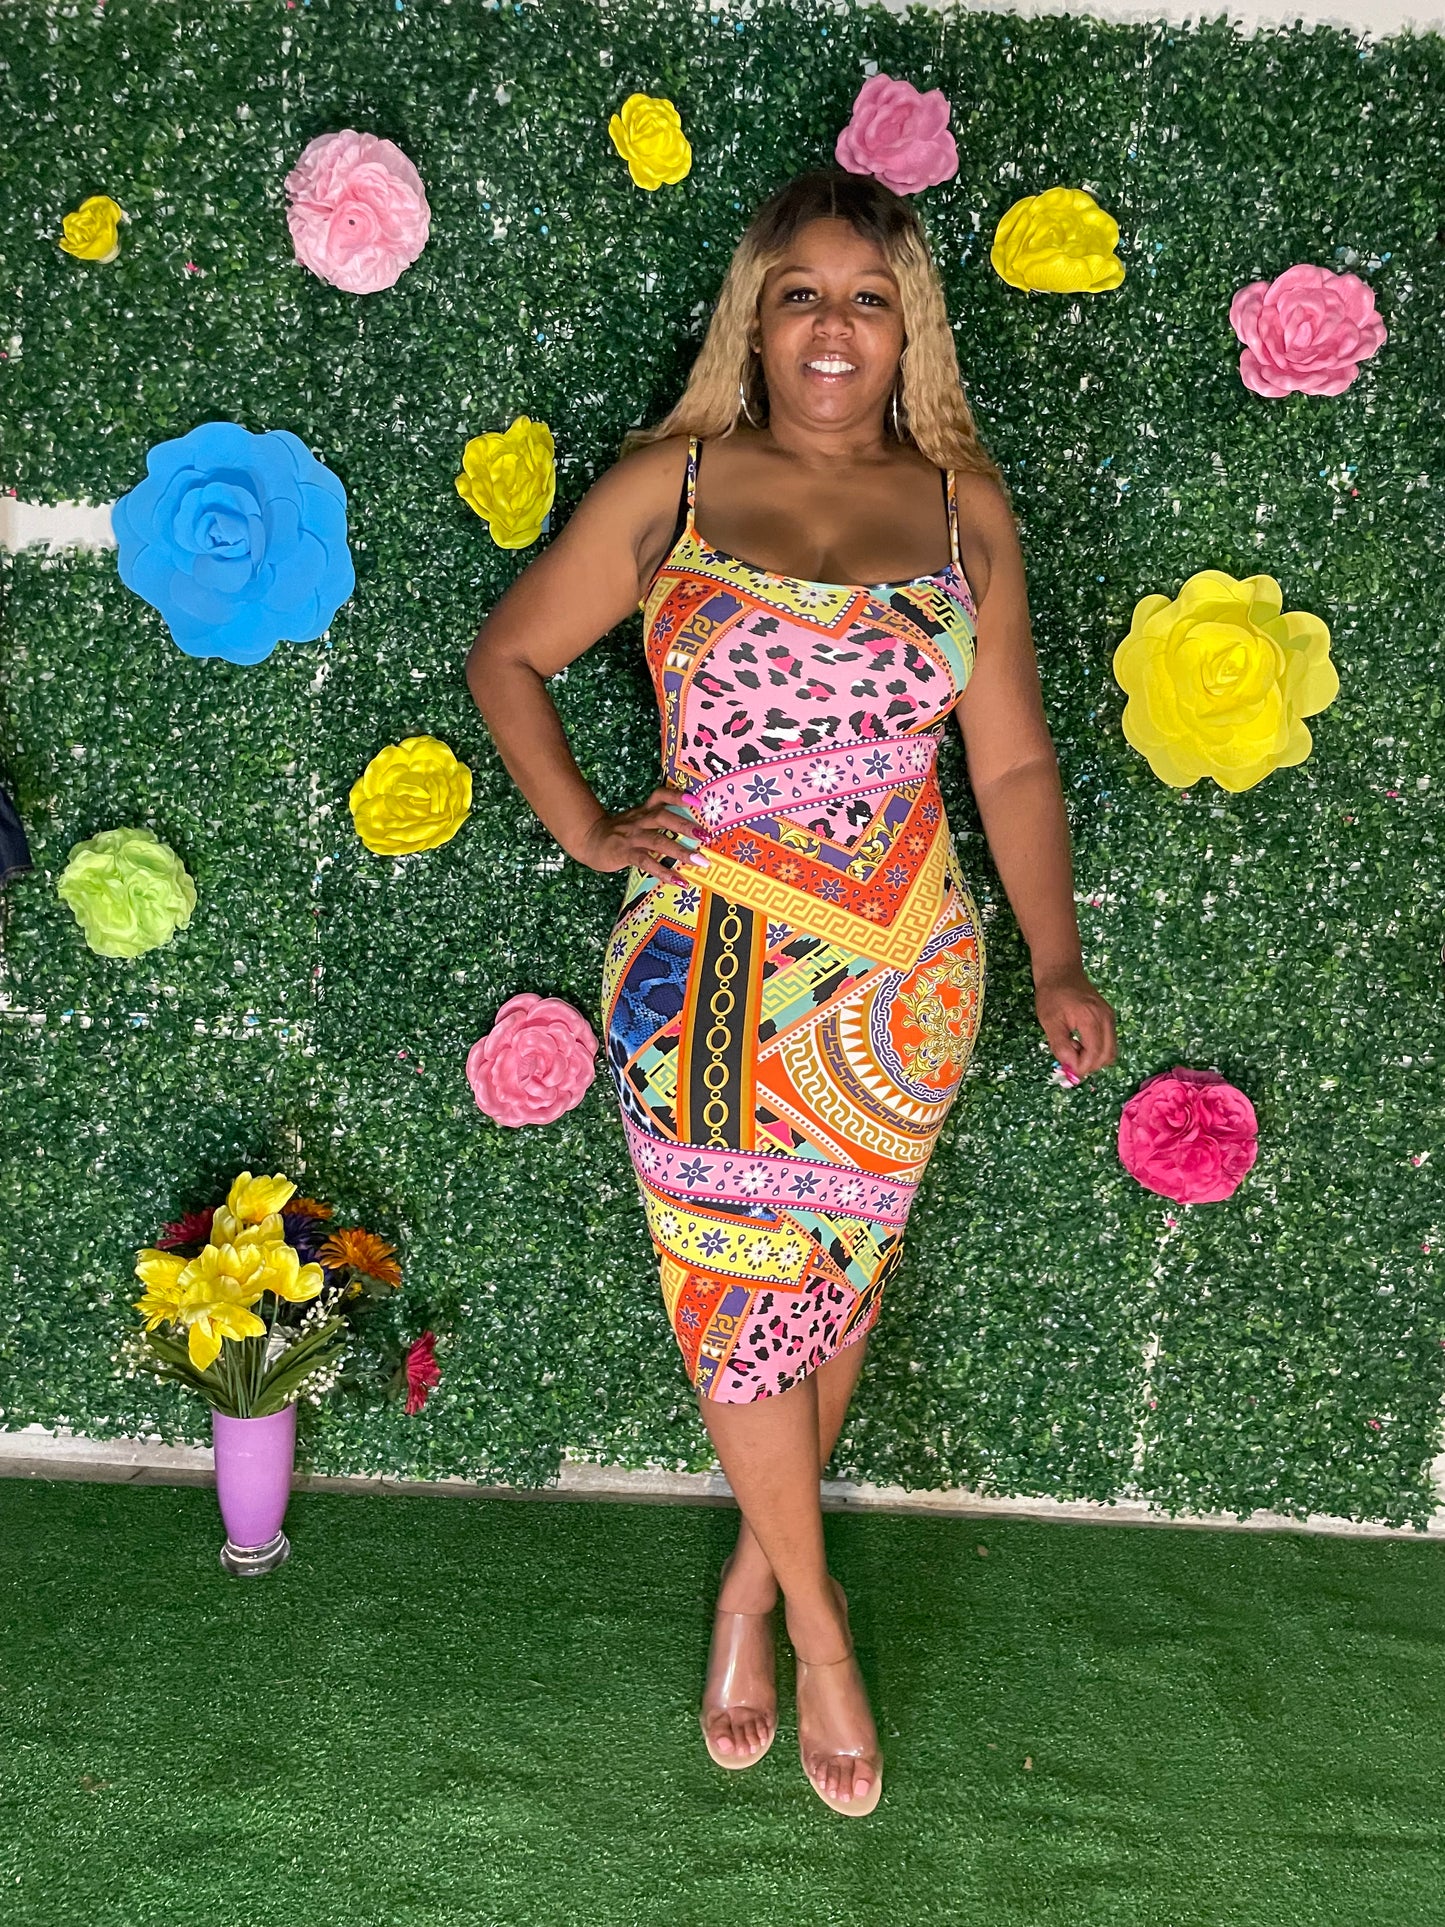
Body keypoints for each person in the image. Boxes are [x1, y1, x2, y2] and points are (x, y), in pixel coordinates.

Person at [466, 167, 1118, 1817]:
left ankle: (752, 1590)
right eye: (802, 294)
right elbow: (507, 656)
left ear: (911, 330)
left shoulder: (964, 509)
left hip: (901, 976)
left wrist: (1053, 955)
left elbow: (1012, 761)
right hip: (697, 975)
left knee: (830, 1291)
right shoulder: (674, 483)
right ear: (753, 322)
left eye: (869, 297)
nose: (835, 326)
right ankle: (817, 1637)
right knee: (736, 1307)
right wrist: (589, 829)